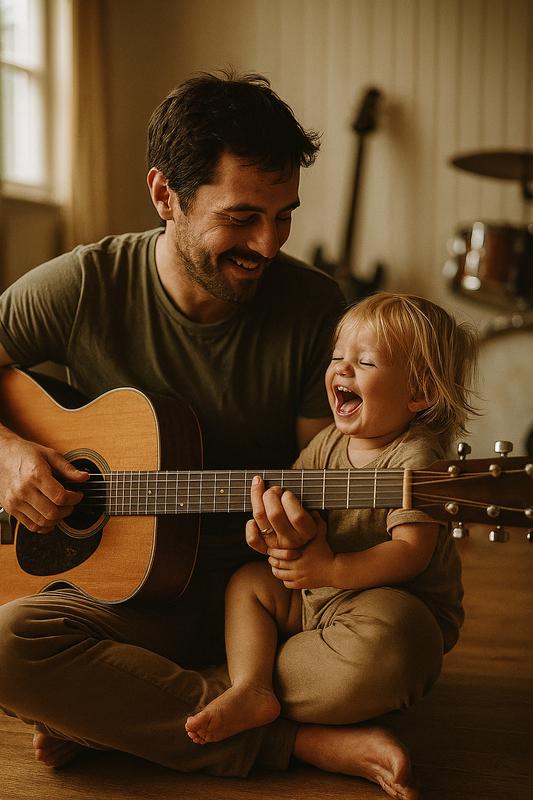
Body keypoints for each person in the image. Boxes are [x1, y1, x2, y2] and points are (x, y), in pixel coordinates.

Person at [0, 70, 424, 800]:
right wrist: (7, 453)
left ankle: (124, 712)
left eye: (283, 215)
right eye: (240, 218)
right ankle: (289, 741)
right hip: (123, 597)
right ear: (165, 196)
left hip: (263, 602)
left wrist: (300, 543)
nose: (267, 243)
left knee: (390, 653)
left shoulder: (314, 306)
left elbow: (322, 475)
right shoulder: (85, 284)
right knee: (6, 647)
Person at [185, 293, 479, 797]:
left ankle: (195, 689)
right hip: (314, 602)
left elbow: (412, 552)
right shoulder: (326, 445)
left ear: (419, 391)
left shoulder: (417, 457)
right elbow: (290, 506)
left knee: (394, 644)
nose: (342, 368)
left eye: (364, 362)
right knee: (247, 584)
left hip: (388, 610)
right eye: (338, 356)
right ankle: (252, 689)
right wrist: (272, 532)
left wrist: (331, 570)